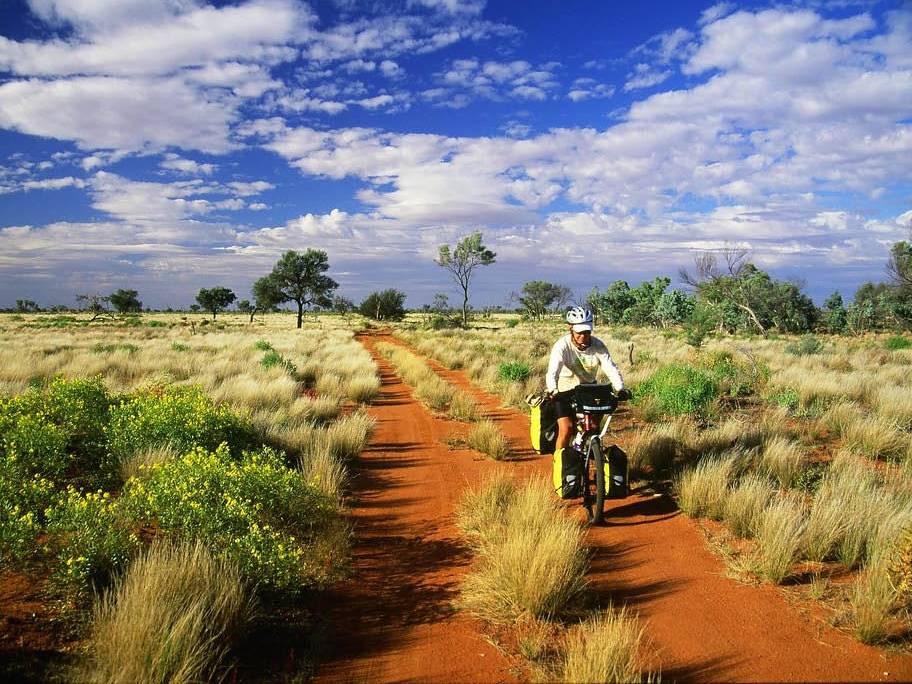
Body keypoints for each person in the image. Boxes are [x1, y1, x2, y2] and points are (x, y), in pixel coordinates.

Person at [545, 307, 630, 452]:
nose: (583, 336)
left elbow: (610, 367)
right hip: (564, 391)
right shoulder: (562, 346)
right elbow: (553, 371)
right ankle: (559, 464)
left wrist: (620, 387)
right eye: (579, 332)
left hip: (588, 390)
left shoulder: (598, 345)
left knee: (594, 428)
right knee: (566, 429)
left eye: (587, 332)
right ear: (570, 328)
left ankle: (591, 455)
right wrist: (553, 390)